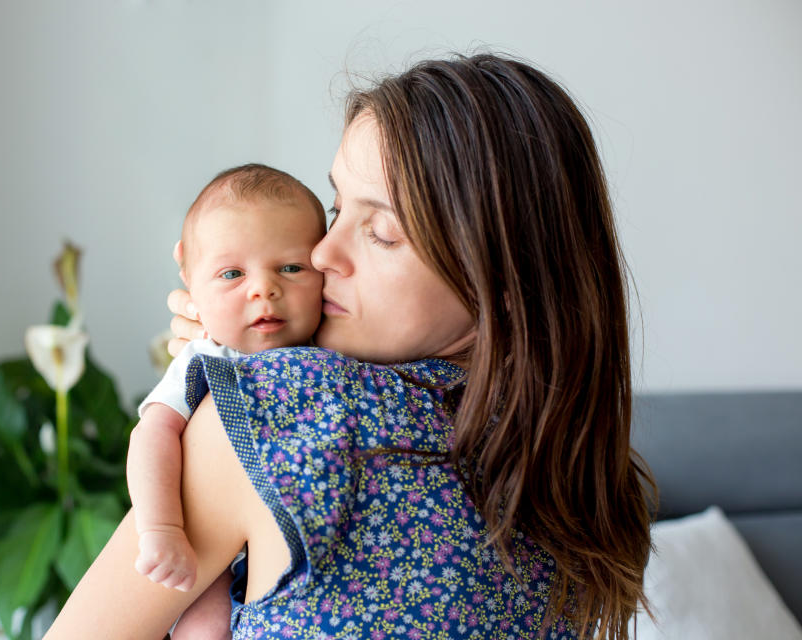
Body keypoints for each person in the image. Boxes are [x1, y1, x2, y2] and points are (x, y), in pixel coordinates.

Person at [44, 52, 655, 640]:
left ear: (498, 275)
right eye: (336, 209)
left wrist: (233, 367)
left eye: (382, 233)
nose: (321, 253)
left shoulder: (285, 407)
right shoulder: (586, 475)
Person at [127, 163, 326, 639]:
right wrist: (162, 530)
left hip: (289, 545)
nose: (264, 289)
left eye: (291, 268)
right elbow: (151, 432)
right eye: (232, 273)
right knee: (204, 628)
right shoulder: (205, 356)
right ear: (187, 275)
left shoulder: (329, 348)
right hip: (206, 540)